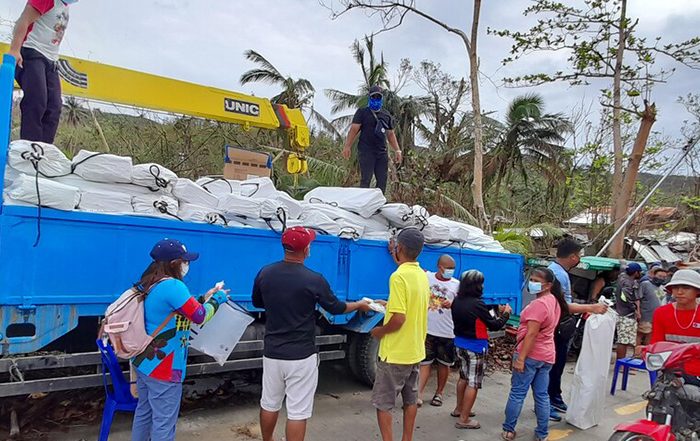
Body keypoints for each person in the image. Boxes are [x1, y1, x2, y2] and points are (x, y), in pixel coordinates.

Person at [252, 226, 371, 441]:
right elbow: (336, 308)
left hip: (272, 352)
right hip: (301, 355)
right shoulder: (314, 279)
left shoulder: (265, 273)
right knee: (297, 412)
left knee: (269, 403)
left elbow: (257, 302)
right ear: (306, 249)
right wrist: (359, 305)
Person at [131, 239, 229, 441]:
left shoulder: (150, 281)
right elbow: (199, 316)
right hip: (164, 366)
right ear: (175, 263)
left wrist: (205, 297)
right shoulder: (173, 285)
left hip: (145, 362)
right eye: (185, 261)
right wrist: (218, 300)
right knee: (164, 423)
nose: (187, 265)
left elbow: (180, 309)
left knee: (145, 413)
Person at [371, 228, 429, 441]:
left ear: (400, 248)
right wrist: (389, 304)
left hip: (395, 352)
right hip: (415, 350)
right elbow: (409, 305)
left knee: (383, 403)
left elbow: (398, 319)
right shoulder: (422, 276)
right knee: (410, 400)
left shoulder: (398, 277)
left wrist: (379, 331)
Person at [546, 239, 608, 421]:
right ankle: (545, 402)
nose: (580, 259)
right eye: (579, 255)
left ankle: (555, 396)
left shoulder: (557, 271)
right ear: (573, 257)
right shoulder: (557, 274)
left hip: (561, 327)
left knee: (558, 365)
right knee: (550, 367)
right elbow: (562, 305)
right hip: (554, 328)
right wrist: (591, 308)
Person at [502, 268, 565, 441]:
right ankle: (542, 433)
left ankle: (508, 430)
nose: (533, 283)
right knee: (542, 395)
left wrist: (521, 358)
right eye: (533, 279)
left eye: (537, 280)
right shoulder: (554, 301)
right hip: (547, 355)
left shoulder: (539, 305)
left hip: (530, 355)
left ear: (548, 285)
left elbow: (531, 334)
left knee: (517, 393)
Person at [451, 270, 511, 430]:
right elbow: (495, 325)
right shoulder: (478, 305)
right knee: (474, 382)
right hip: (475, 347)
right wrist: (505, 314)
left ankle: (459, 409)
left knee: (463, 377)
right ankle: (464, 419)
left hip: (459, 344)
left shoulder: (456, 301)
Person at [9, 0, 76, 144]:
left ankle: (43, 150)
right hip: (31, 52)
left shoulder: (65, 6)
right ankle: (29, 148)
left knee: (54, 107)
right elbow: (24, 19)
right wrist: (14, 49)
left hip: (51, 60)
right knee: (37, 100)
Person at [341, 85, 402, 193]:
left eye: (378, 97)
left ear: (381, 98)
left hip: (381, 152)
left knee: (382, 180)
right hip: (366, 150)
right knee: (366, 179)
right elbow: (354, 130)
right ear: (369, 97)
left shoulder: (386, 115)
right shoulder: (362, 112)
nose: (376, 99)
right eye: (374, 97)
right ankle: (363, 203)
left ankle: (379, 204)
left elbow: (391, 134)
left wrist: (397, 150)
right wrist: (347, 146)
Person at [417, 254, 459, 408]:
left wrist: (453, 303)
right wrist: (394, 251)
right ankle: (418, 394)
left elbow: (463, 306)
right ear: (439, 267)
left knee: (444, 364)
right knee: (424, 363)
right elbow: (408, 262)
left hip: (447, 332)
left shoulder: (457, 285)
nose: (451, 271)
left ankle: (439, 393)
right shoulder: (427, 277)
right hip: (428, 330)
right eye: (448, 268)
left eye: (452, 269)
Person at [650, 269, 700, 375]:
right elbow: (657, 345)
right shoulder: (661, 313)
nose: (680, 292)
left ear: (697, 291)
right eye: (676, 288)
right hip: (669, 370)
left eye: (686, 288)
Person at [615, 262, 643, 361]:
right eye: (639, 272)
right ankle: (621, 363)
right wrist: (633, 307)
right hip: (626, 314)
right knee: (623, 341)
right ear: (635, 272)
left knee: (624, 340)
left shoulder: (622, 278)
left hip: (621, 312)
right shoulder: (628, 282)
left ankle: (622, 362)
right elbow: (625, 296)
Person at [637, 267, 667, 346]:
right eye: (660, 276)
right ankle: (636, 352)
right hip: (645, 314)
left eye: (664, 277)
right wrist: (638, 312)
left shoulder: (662, 288)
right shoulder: (645, 284)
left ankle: (646, 351)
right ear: (654, 275)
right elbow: (638, 299)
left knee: (651, 335)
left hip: (657, 317)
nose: (661, 279)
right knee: (641, 333)